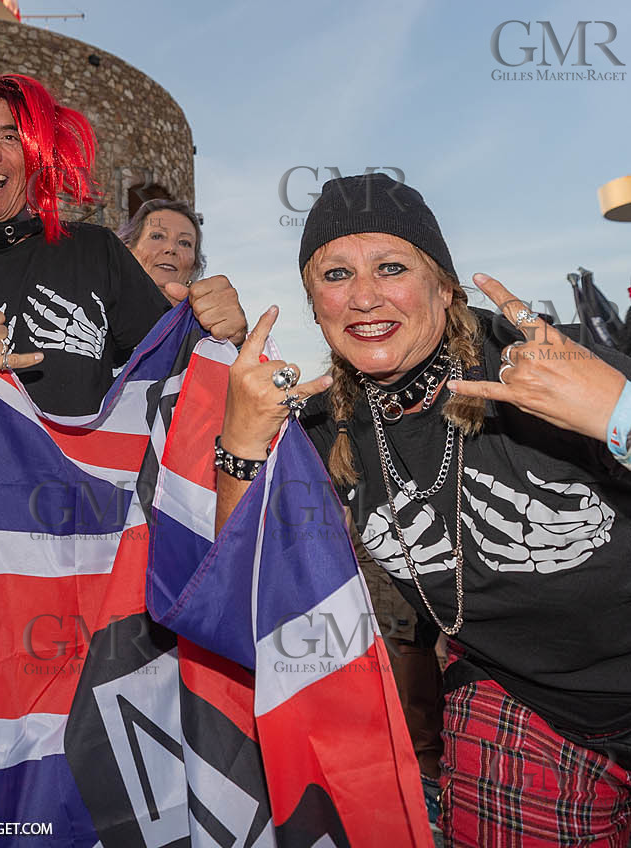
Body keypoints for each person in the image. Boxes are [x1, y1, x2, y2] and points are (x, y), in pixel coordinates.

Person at [0, 73, 246, 847]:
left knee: (75, 809)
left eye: (9, 134)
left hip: (88, 575)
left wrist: (221, 333)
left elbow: (183, 394)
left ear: (38, 152)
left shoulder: (100, 255)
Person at [216, 174, 631, 847]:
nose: (364, 296)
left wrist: (619, 415)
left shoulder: (543, 364)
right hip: (527, 701)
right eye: (336, 274)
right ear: (314, 304)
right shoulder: (324, 426)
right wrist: (237, 443)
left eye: (391, 268)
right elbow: (244, 601)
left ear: (445, 289)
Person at [115, 197, 205, 300]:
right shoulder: (98, 310)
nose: (171, 248)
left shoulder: (208, 315)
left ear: (193, 267)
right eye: (157, 236)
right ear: (127, 252)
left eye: (184, 243)